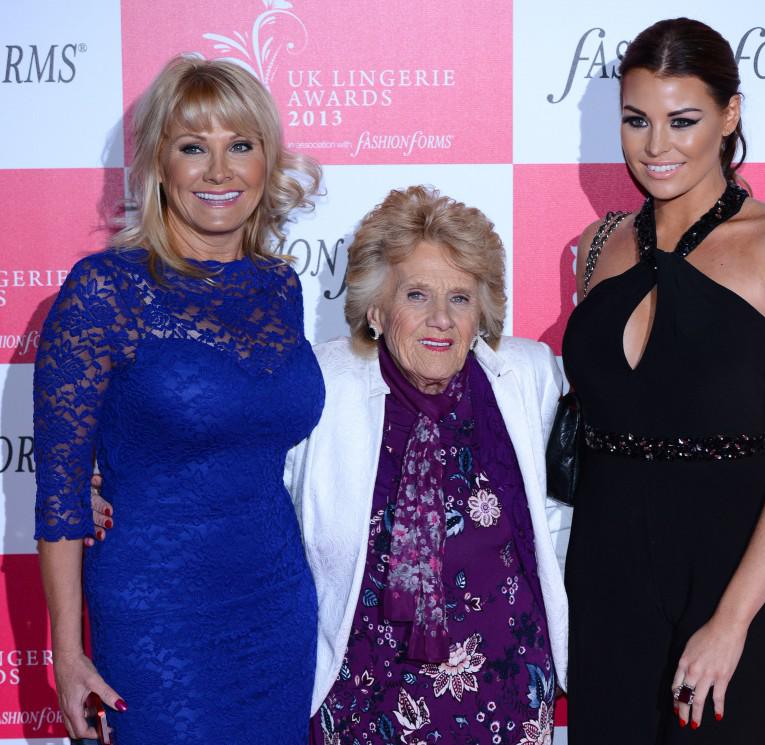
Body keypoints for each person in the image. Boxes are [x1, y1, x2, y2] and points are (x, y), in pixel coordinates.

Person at [560, 18, 765, 744]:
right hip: (605, 569)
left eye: (681, 120)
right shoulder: (595, 247)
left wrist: (732, 619)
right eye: (635, 120)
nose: (656, 147)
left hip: (729, 570)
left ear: (729, 114)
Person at [33, 56, 324, 743]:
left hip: (276, 602)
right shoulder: (104, 290)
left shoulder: (280, 287)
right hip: (156, 616)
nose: (220, 171)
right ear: (160, 164)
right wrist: (68, 657)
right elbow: (59, 492)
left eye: (240, 146)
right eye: (194, 147)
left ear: (266, 161)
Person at [289, 185, 567, 743]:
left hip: (506, 688)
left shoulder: (527, 376)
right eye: (416, 295)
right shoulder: (322, 384)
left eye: (460, 299)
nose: (441, 319)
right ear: (375, 308)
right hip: (365, 692)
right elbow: (236, 475)